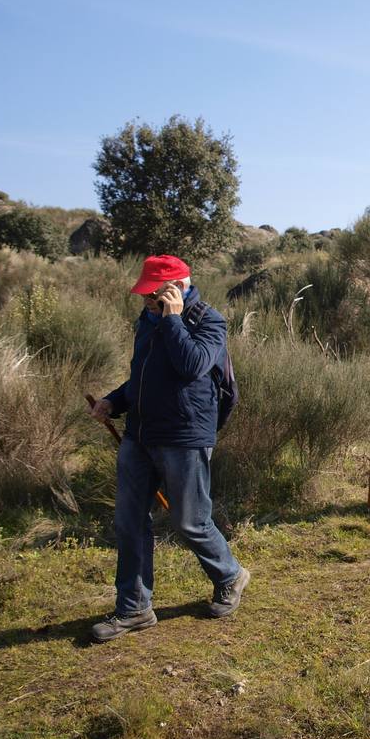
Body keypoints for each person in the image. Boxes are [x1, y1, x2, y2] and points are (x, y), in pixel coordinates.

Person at [88, 255, 248, 642]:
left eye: (152, 294)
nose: (145, 299)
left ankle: (229, 575)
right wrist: (113, 401)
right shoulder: (147, 319)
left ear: (175, 289)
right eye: (144, 293)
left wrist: (172, 320)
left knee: (190, 522)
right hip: (140, 435)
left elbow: (192, 366)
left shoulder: (209, 321)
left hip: (185, 436)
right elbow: (141, 378)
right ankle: (134, 608)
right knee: (129, 521)